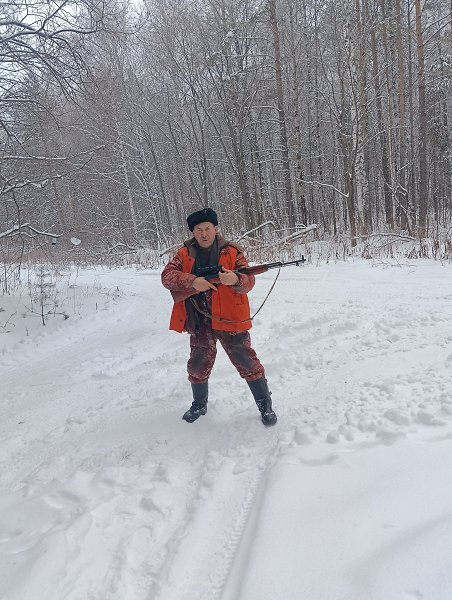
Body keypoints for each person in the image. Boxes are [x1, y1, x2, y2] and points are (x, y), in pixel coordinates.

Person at [161, 207, 277, 426]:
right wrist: (193, 282)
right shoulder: (184, 254)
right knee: (197, 365)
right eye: (198, 230)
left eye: (207, 228)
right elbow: (167, 277)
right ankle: (199, 404)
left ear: (215, 228)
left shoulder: (232, 251)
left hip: (230, 318)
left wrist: (236, 280)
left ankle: (265, 405)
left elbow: (248, 281)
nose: (204, 234)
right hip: (200, 320)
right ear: (193, 232)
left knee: (247, 362)